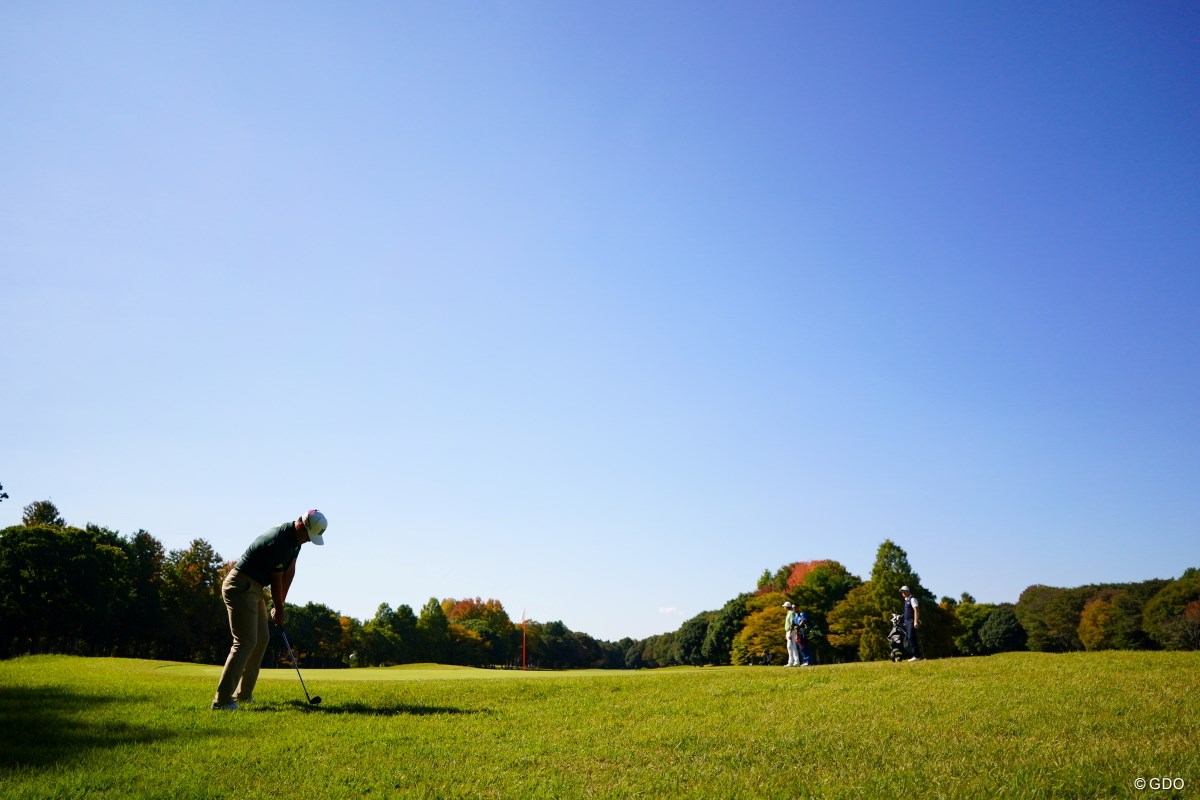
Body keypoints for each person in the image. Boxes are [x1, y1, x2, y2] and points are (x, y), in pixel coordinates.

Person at [211, 510, 328, 710]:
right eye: (308, 536)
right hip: (240, 586)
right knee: (245, 641)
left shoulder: (296, 541)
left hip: (255, 588)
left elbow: (289, 572)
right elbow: (276, 580)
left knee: (262, 639)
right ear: (301, 525)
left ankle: (243, 695)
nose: (308, 541)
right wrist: (278, 608)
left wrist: (280, 604)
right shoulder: (280, 540)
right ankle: (221, 700)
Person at [900, 585, 922, 661]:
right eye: (902, 592)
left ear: (908, 591)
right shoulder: (906, 600)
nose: (902, 593)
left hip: (911, 621)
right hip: (906, 622)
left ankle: (916, 656)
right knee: (909, 638)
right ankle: (914, 655)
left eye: (903, 591)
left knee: (912, 637)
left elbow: (916, 610)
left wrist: (915, 621)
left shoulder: (912, 599)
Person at [782, 601, 800, 667]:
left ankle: (794, 662)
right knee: (790, 647)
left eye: (784, 607)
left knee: (791, 647)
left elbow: (792, 623)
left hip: (791, 631)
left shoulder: (791, 613)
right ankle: (793, 662)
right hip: (789, 631)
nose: (784, 608)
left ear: (786, 607)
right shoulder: (789, 613)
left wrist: (789, 633)